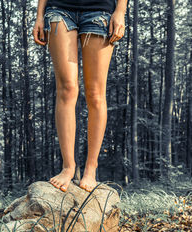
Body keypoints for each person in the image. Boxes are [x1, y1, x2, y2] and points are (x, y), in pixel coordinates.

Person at [32, 0, 127, 193]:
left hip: (100, 11)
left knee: (95, 94)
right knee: (67, 88)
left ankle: (91, 169)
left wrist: (120, 11)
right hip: (59, 9)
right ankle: (68, 167)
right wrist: (39, 16)